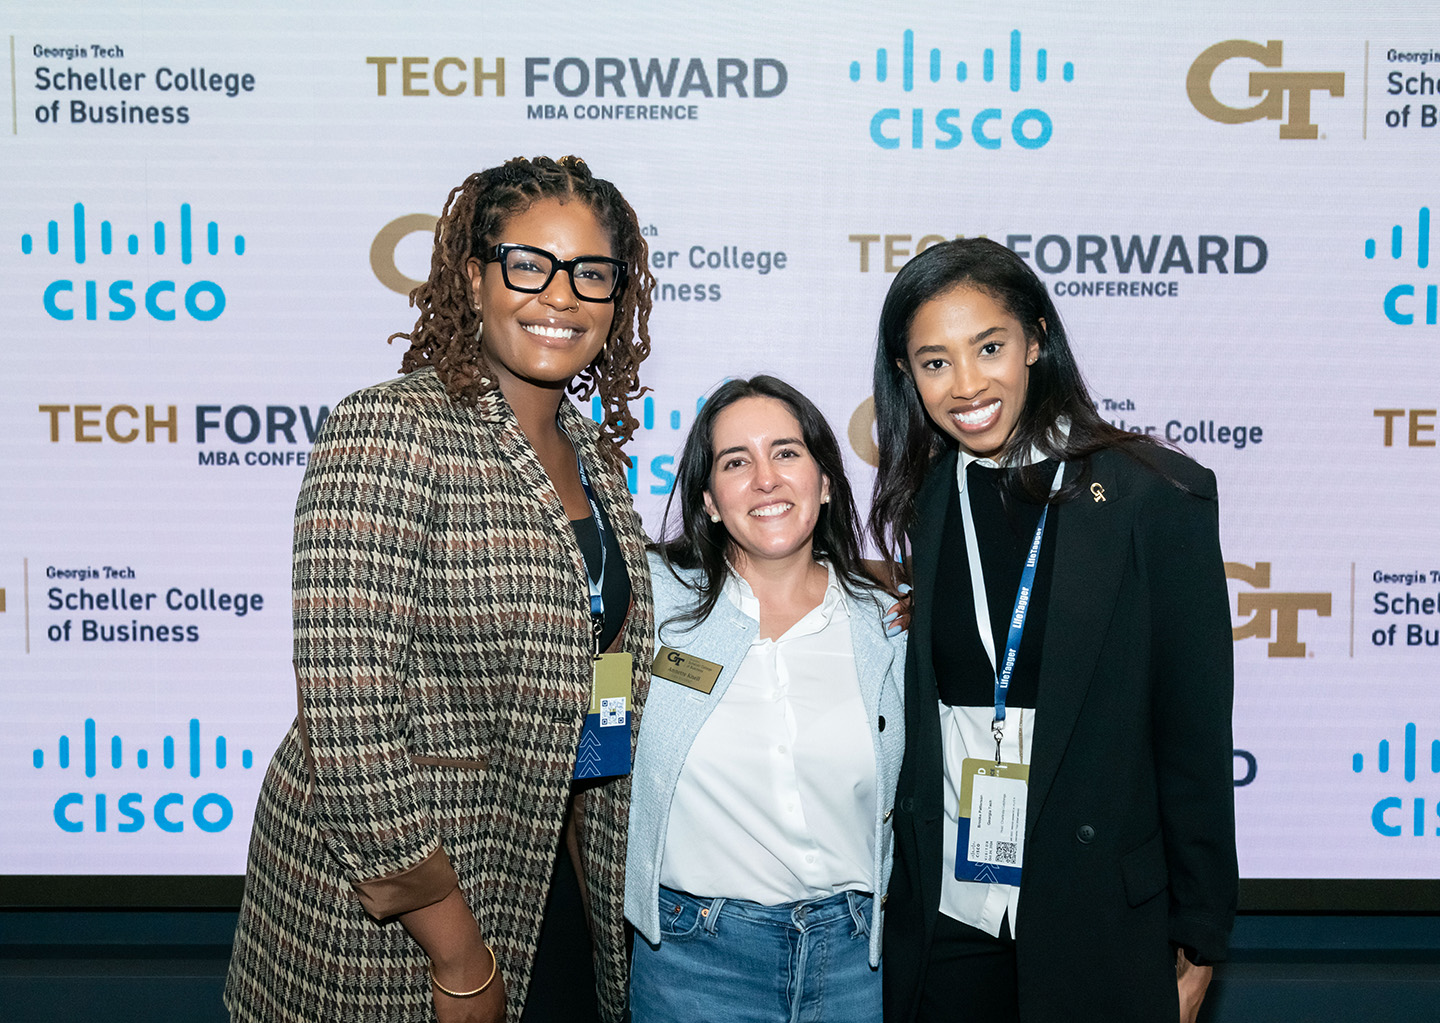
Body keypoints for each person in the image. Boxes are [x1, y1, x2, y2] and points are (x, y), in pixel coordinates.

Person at [225, 155, 656, 1023]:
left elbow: (601, 669)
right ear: (474, 275)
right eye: (529, 264)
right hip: (401, 922)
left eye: (591, 273)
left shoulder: (595, 460)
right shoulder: (392, 428)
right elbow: (348, 719)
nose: (560, 295)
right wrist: (459, 955)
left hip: (549, 883)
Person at [868, 238, 1237, 1023]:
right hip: (948, 917)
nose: (966, 384)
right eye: (934, 362)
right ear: (906, 374)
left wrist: (1201, 936)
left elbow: (1194, 731)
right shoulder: (925, 501)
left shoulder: (1154, 497)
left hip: (1098, 917)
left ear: (1036, 338)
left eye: (989, 348)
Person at [625, 376, 906, 1023]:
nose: (765, 478)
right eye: (735, 461)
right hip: (691, 960)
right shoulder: (651, 606)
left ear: (826, 480)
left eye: (785, 452)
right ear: (710, 502)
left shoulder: (889, 624)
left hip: (857, 962)